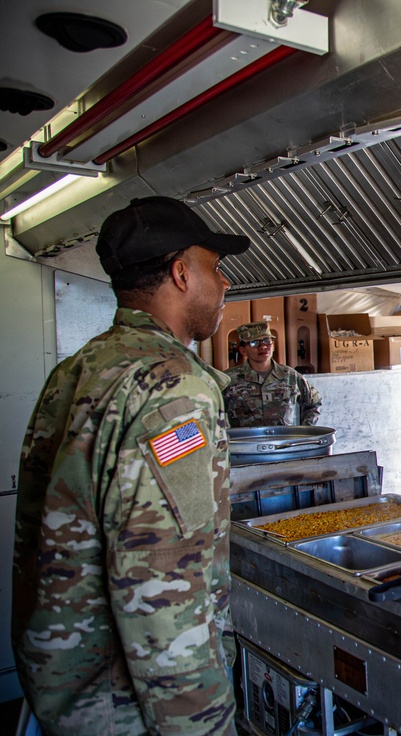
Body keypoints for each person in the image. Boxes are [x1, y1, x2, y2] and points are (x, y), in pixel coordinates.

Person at [12, 196, 250, 735]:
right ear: (180, 273)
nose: (226, 284)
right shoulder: (175, 389)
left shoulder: (78, 370)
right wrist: (204, 727)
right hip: (130, 709)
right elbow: (163, 581)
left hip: (69, 691)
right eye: (216, 267)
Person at [223, 321, 322, 427]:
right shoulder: (229, 379)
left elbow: (314, 403)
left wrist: (305, 432)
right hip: (245, 442)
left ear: (273, 346)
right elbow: (212, 410)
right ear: (243, 351)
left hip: (283, 441)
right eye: (254, 343)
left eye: (267, 341)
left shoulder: (290, 376)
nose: (262, 346)